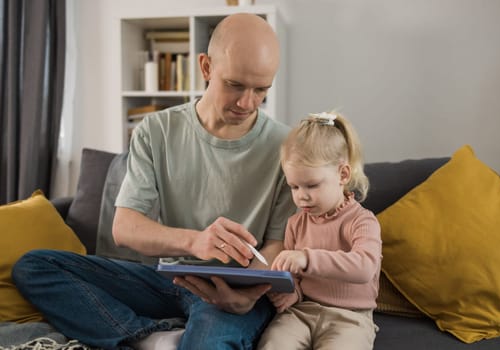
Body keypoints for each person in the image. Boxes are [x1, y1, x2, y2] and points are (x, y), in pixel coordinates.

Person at [12, 13, 296, 350]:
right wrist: (195, 242)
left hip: (234, 292)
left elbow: (277, 244)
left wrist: (248, 296)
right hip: (168, 279)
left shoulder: (288, 146)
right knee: (34, 266)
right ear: (205, 67)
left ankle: (151, 336)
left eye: (261, 90)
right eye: (235, 85)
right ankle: (151, 337)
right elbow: (126, 227)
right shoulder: (156, 131)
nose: (248, 103)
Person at [257, 112, 382, 350]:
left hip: (351, 317)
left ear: (343, 174)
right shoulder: (296, 222)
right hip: (302, 313)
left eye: (312, 185)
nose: (301, 196)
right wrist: (291, 292)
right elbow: (296, 278)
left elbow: (364, 267)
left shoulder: (362, 222)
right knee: (273, 343)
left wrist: (307, 257)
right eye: (294, 186)